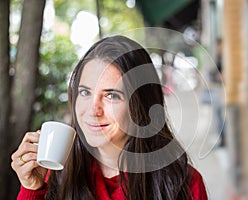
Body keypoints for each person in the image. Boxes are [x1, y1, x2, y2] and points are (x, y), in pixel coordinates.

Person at [11, 35, 208, 200]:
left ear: (142, 106)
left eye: (111, 95)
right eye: (85, 92)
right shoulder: (55, 174)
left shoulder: (183, 184)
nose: (93, 110)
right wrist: (32, 189)